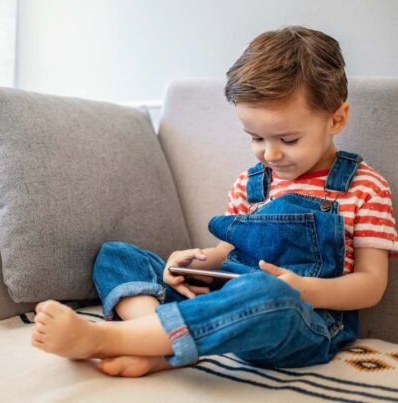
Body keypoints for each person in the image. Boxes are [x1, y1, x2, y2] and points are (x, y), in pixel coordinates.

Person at [30, 26, 398, 378]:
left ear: (337, 119)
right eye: (255, 137)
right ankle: (157, 342)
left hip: (304, 320)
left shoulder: (363, 187)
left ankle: (111, 339)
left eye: (288, 139)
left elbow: (370, 284)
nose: (269, 153)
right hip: (224, 299)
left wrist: (305, 289)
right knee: (117, 255)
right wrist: (198, 261)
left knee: (266, 293)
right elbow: (229, 251)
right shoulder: (250, 183)